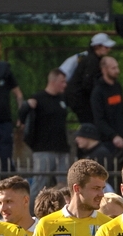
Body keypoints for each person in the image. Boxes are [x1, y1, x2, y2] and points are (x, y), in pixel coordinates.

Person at [19, 68, 71, 200]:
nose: (65, 85)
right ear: (53, 81)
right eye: (62, 81)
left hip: (61, 147)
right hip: (43, 148)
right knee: (40, 183)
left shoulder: (62, 99)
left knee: (63, 184)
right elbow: (21, 118)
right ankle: (31, 213)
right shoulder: (38, 98)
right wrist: (27, 106)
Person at [91, 56, 123, 161]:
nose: (117, 71)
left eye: (117, 67)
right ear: (104, 70)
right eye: (113, 68)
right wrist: (113, 136)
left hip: (121, 137)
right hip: (107, 140)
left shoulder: (117, 87)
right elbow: (99, 120)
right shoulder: (98, 92)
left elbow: (121, 111)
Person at [65, 33, 117, 124]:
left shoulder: (92, 58)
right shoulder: (92, 61)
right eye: (106, 47)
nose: (109, 49)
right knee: (89, 123)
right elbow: (87, 84)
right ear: (97, 47)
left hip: (80, 97)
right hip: (79, 98)